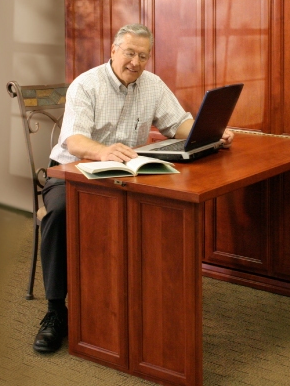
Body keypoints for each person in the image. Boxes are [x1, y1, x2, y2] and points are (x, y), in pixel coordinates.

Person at [33, 24, 234, 353]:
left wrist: (210, 132)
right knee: (58, 213)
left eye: (143, 56)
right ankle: (56, 311)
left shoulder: (152, 85)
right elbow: (74, 140)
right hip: (73, 170)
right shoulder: (87, 85)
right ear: (113, 50)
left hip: (125, 175)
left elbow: (177, 122)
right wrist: (102, 150)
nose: (136, 62)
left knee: (163, 208)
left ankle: (144, 303)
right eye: (129, 53)